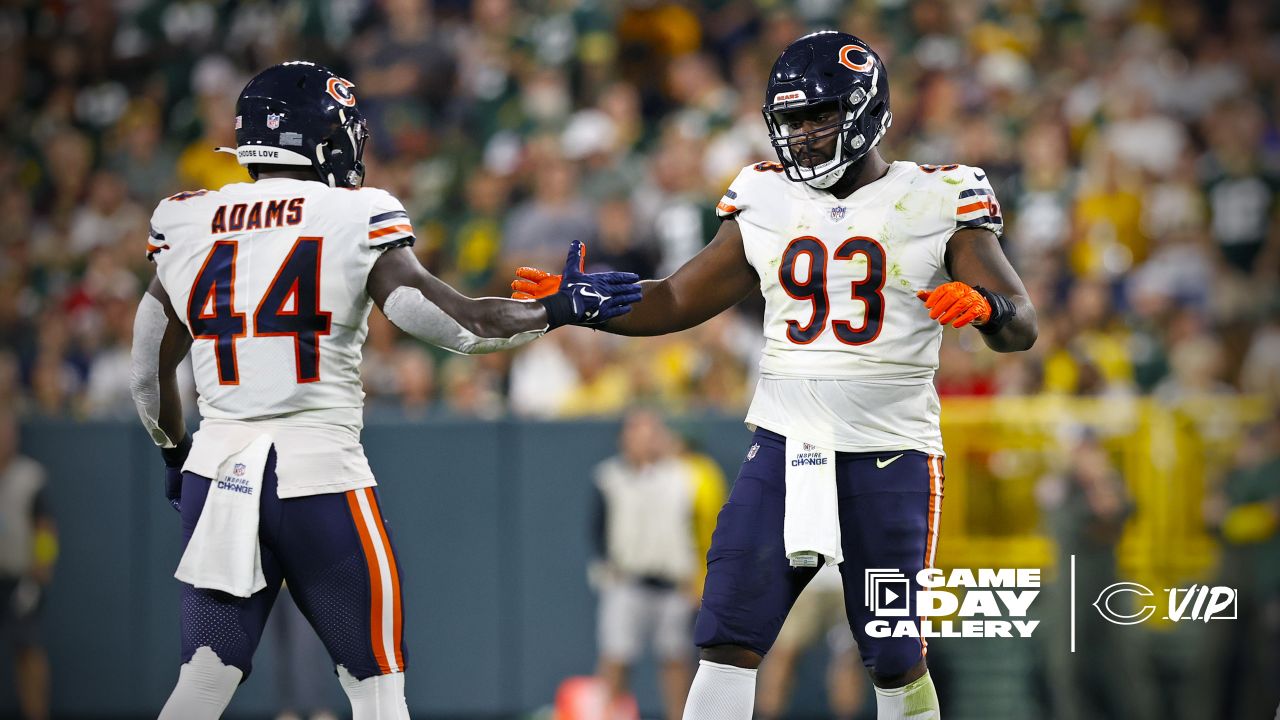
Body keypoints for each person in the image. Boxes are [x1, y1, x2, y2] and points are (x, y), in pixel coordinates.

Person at [511, 31, 1038, 720]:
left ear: (865, 108)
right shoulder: (765, 195)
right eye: (791, 121)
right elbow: (677, 296)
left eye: (819, 116)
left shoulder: (941, 194)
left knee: (892, 651)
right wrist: (582, 305)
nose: (806, 136)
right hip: (787, 445)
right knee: (727, 631)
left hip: (890, 450)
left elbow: (1021, 324)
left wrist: (989, 307)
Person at [128, 61, 641, 720]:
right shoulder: (354, 212)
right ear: (323, 138)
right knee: (376, 688)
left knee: (202, 681)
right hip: (319, 477)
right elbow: (460, 325)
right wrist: (561, 309)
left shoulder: (186, 219)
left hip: (218, 473)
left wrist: (175, 455)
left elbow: (148, 371)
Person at [589, 409, 723, 720]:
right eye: (639, 433)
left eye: (652, 433)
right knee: (616, 656)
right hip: (627, 581)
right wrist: (608, 570)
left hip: (673, 582)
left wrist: (697, 578)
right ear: (625, 438)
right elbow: (597, 529)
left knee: (675, 660)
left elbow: (700, 529)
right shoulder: (608, 477)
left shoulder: (686, 476)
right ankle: (608, 714)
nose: (646, 440)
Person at [0, 410, 57, 720]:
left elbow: (45, 528)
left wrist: (39, 572)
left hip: (19, 580)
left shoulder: (29, 477)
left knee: (29, 651)